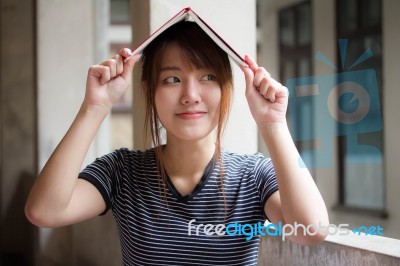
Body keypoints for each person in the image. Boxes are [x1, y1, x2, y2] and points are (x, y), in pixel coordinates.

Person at [25, 21, 329, 265]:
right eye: (172, 79)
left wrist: (273, 123)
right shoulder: (122, 171)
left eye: (208, 77)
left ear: (226, 88)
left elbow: (311, 230)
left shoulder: (253, 175)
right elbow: (44, 212)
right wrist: (94, 108)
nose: (191, 95)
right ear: (149, 90)